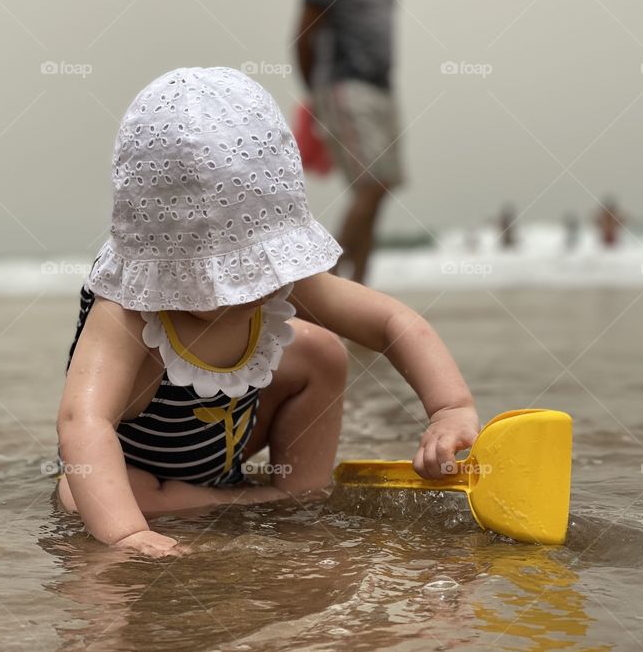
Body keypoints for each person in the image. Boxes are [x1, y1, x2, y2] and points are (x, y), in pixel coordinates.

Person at [55, 68, 478, 558]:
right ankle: (250, 501)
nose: (245, 290)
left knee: (321, 350)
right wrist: (126, 535)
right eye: (216, 276)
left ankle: (298, 491)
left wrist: (449, 409)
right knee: (77, 492)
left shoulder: (279, 281)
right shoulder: (127, 315)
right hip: (145, 477)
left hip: (226, 443)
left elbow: (392, 323)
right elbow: (81, 422)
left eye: (253, 268)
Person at [295, 0, 403, 285]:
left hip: (381, 86)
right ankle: (327, 282)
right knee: (372, 184)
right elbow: (305, 32)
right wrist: (315, 94)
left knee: (381, 187)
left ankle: (359, 288)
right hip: (344, 83)